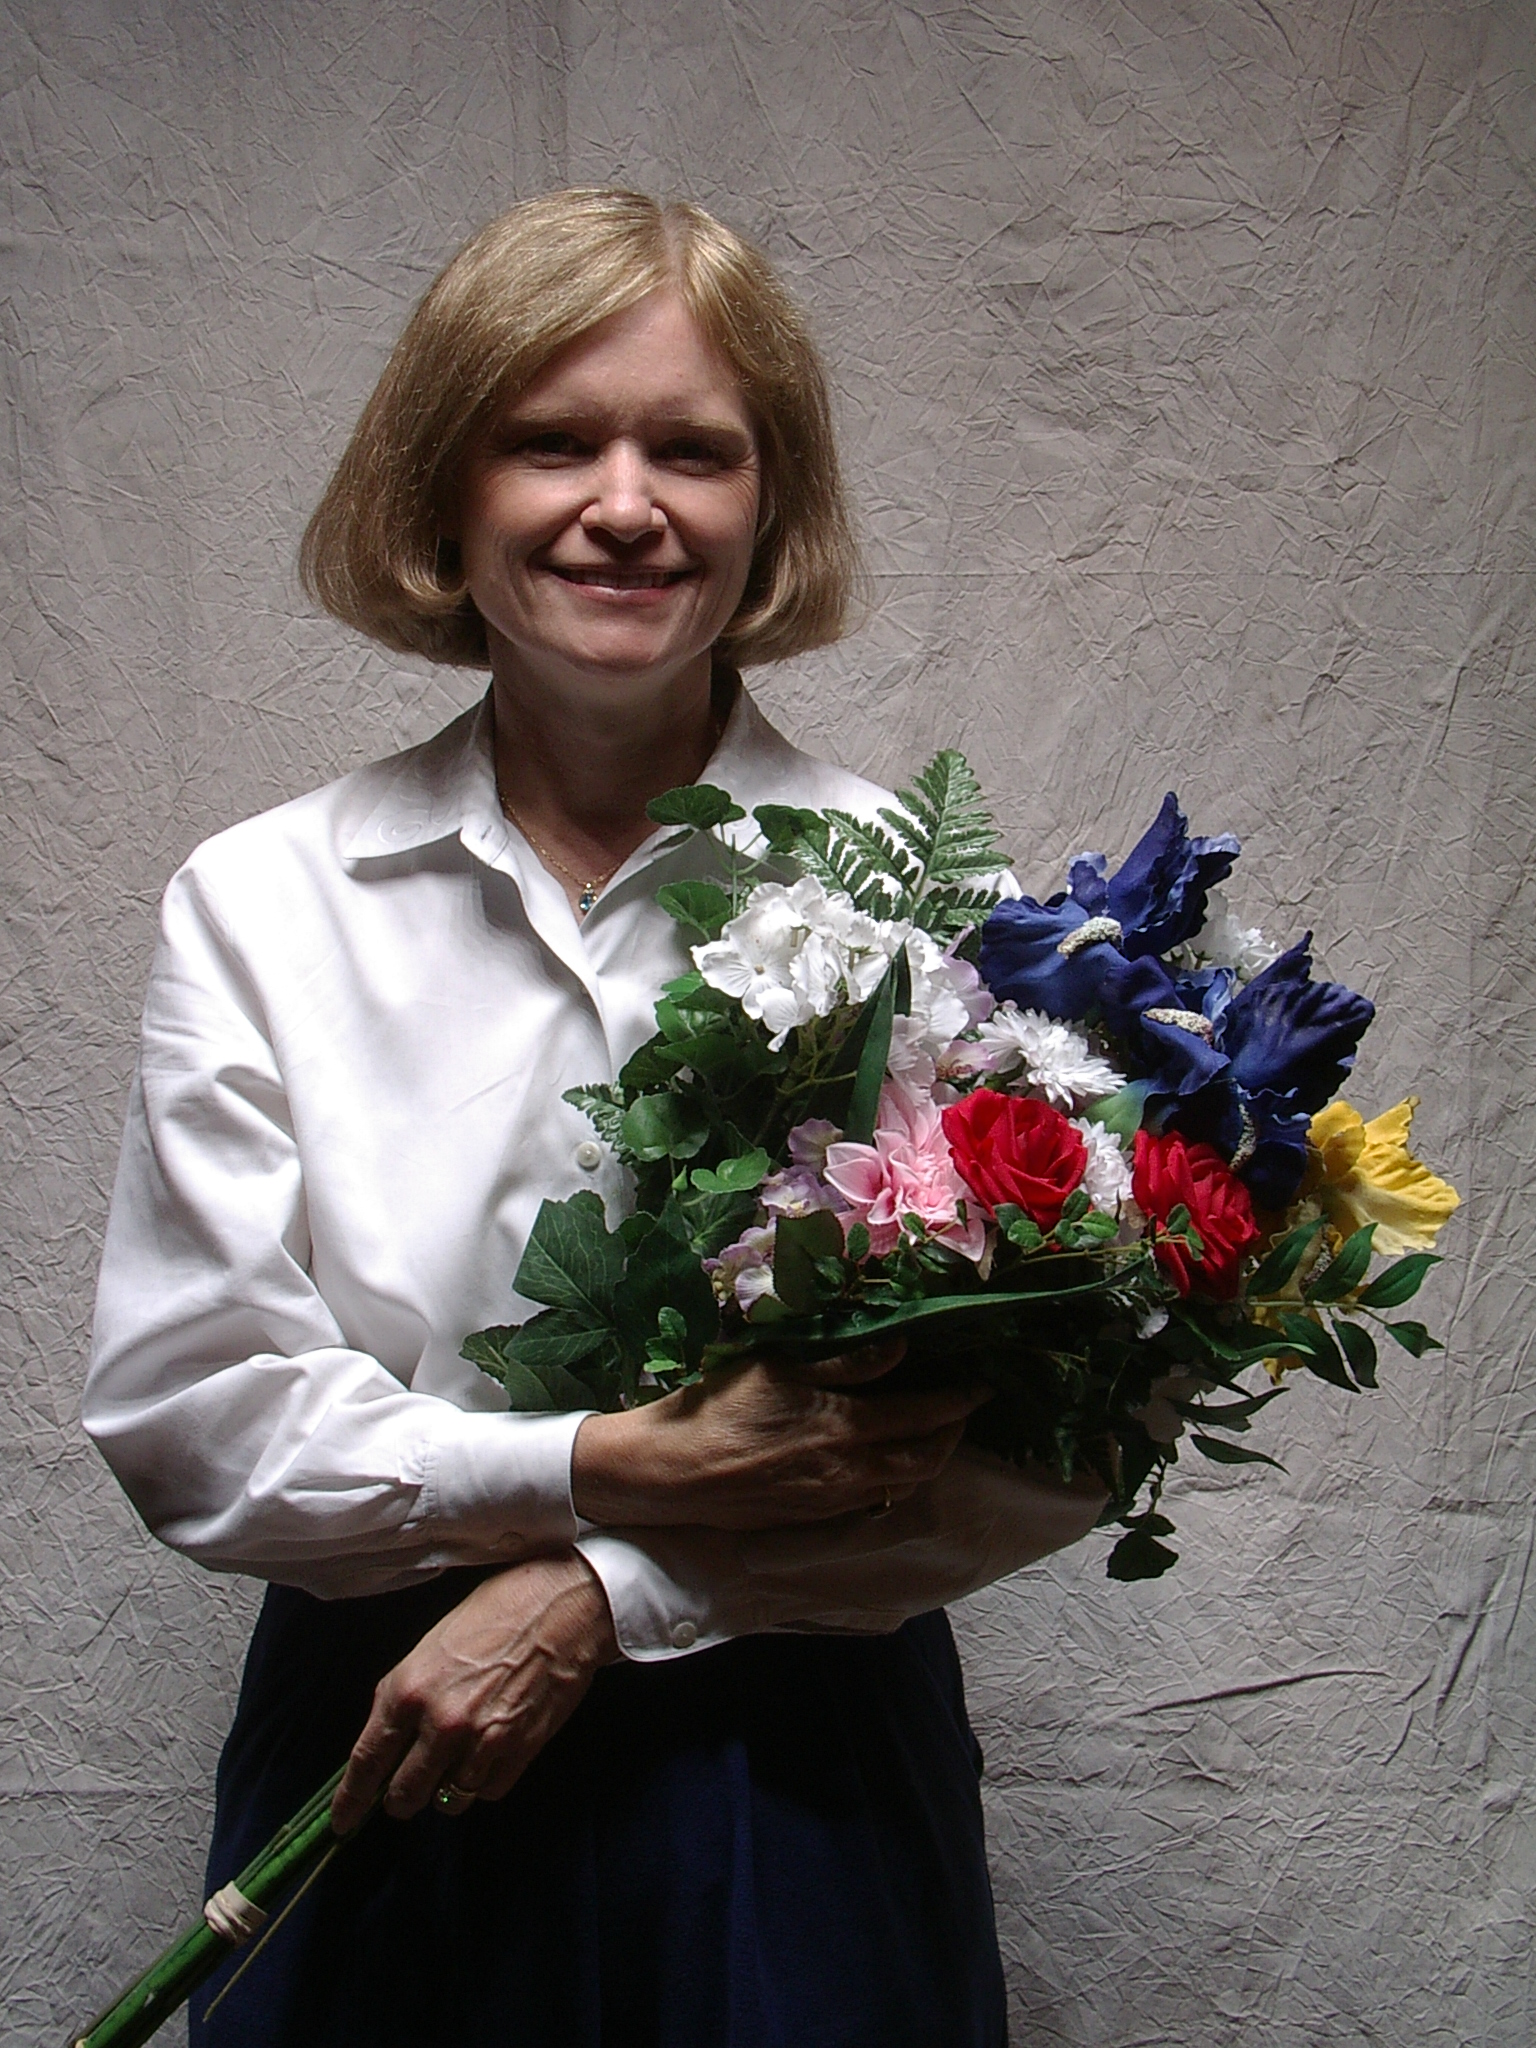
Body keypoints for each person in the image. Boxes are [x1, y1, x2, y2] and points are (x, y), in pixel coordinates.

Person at [84, 189, 1104, 2047]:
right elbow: (194, 1416)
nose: (624, 504)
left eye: (692, 451)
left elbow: (1037, 1444)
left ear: (770, 505)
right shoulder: (264, 900)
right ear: (442, 489)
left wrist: (603, 1589)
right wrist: (608, 1468)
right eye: (551, 441)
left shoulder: (926, 899)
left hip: (799, 1769)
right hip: (392, 1731)